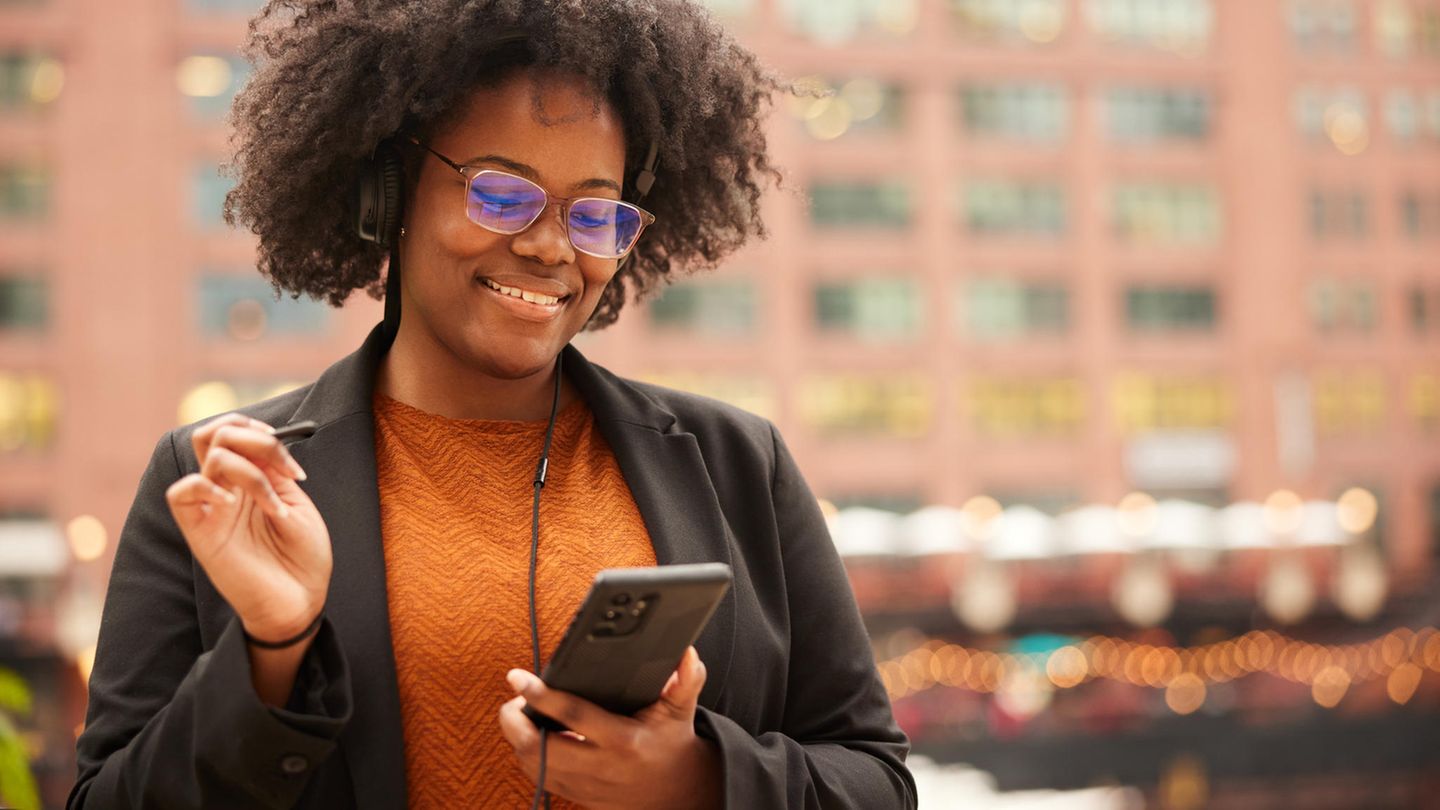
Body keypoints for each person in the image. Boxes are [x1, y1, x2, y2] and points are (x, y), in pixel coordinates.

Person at [68, 2, 916, 808]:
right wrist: (271, 653)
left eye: (595, 214)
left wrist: (697, 780)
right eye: (500, 193)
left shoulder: (738, 461)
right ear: (389, 194)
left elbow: (878, 778)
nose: (551, 246)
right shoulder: (222, 483)